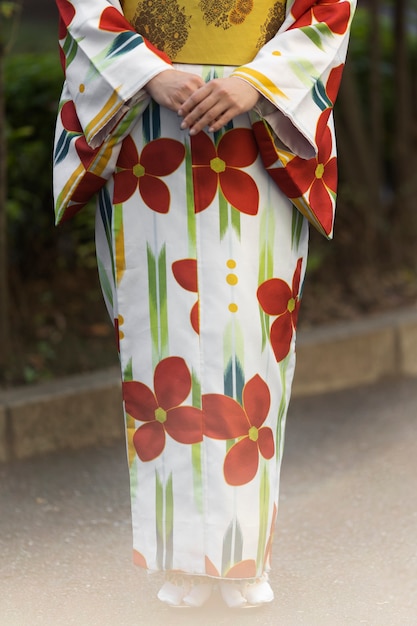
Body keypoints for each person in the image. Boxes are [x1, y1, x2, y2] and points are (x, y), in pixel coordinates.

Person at [54, 0, 356, 609]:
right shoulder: (144, 81)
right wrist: (143, 70)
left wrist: (256, 80)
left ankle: (243, 554)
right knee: (156, 333)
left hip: (257, 121)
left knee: (251, 334)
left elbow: (330, 7)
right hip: (147, 117)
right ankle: (179, 555)